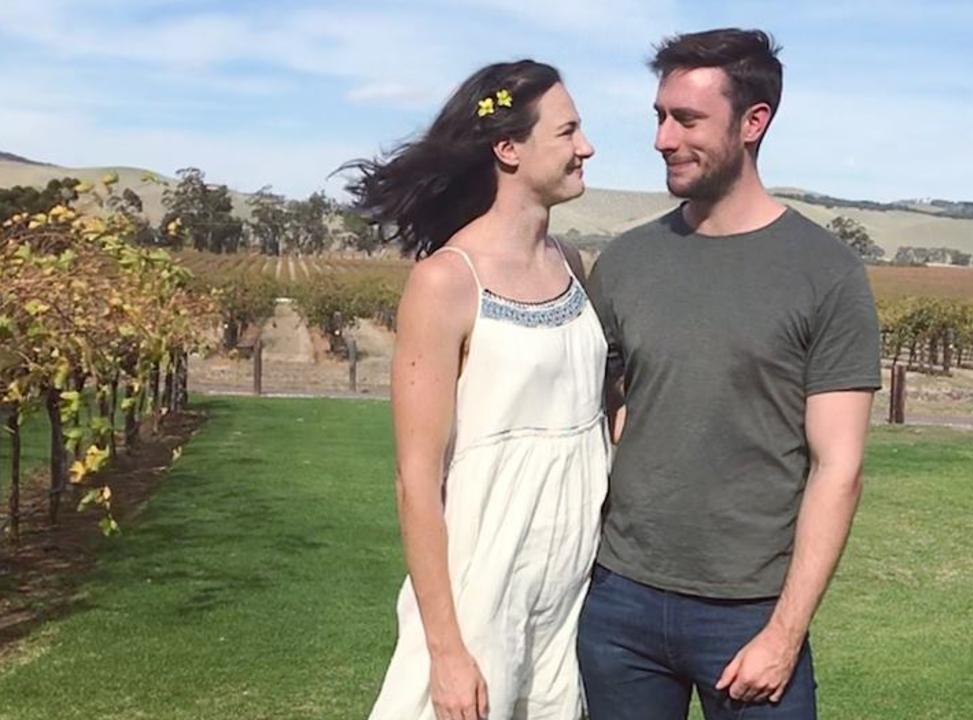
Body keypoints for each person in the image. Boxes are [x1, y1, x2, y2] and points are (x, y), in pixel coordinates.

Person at [580, 28, 882, 719]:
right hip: (620, 600)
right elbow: (597, 404)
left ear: (754, 122)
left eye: (686, 119)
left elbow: (840, 468)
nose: (662, 138)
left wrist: (784, 633)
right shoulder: (627, 262)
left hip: (750, 613)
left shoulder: (826, 274)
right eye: (659, 116)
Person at [346, 59, 607, 720]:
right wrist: (447, 651)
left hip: (572, 586)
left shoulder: (571, 265)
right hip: (481, 580)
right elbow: (416, 478)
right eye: (569, 132)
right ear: (508, 148)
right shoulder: (447, 281)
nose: (587, 147)